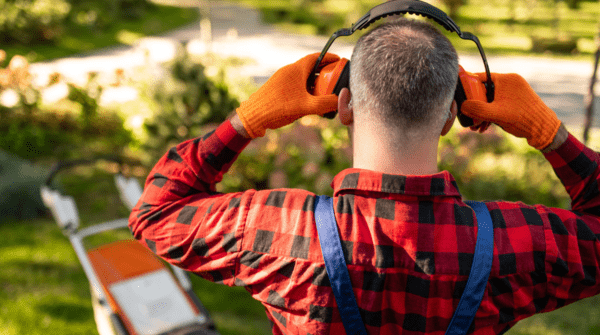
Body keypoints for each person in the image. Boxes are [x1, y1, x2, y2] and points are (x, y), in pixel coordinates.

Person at [128, 18, 600, 335]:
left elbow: (157, 213)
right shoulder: (513, 243)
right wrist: (551, 134)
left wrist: (248, 119)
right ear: (453, 114)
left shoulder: (280, 231)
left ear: (344, 104)